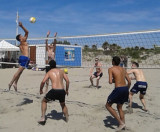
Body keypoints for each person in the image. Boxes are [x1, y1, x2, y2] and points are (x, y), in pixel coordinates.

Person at [38, 60, 69, 125]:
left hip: (54, 90)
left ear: (49, 65)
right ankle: (67, 119)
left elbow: (43, 82)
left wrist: (41, 90)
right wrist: (66, 90)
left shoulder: (49, 72)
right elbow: (67, 81)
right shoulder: (61, 71)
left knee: (44, 101)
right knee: (63, 105)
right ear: (55, 65)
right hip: (62, 91)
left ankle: (43, 117)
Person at [106, 56, 131, 131]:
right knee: (119, 107)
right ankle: (123, 126)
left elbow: (110, 82)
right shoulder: (123, 69)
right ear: (120, 62)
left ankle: (121, 123)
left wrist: (115, 80)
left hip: (118, 89)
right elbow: (129, 81)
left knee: (108, 105)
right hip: (125, 88)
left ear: (113, 62)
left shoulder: (111, 69)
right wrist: (127, 89)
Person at [8, 22, 30, 91]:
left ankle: (15, 83)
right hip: (25, 58)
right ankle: (11, 83)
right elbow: (27, 32)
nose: (23, 36)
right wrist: (22, 26)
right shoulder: (23, 41)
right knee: (18, 72)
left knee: (20, 73)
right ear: (20, 38)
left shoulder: (21, 44)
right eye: (21, 36)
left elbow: (26, 33)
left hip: (23, 58)